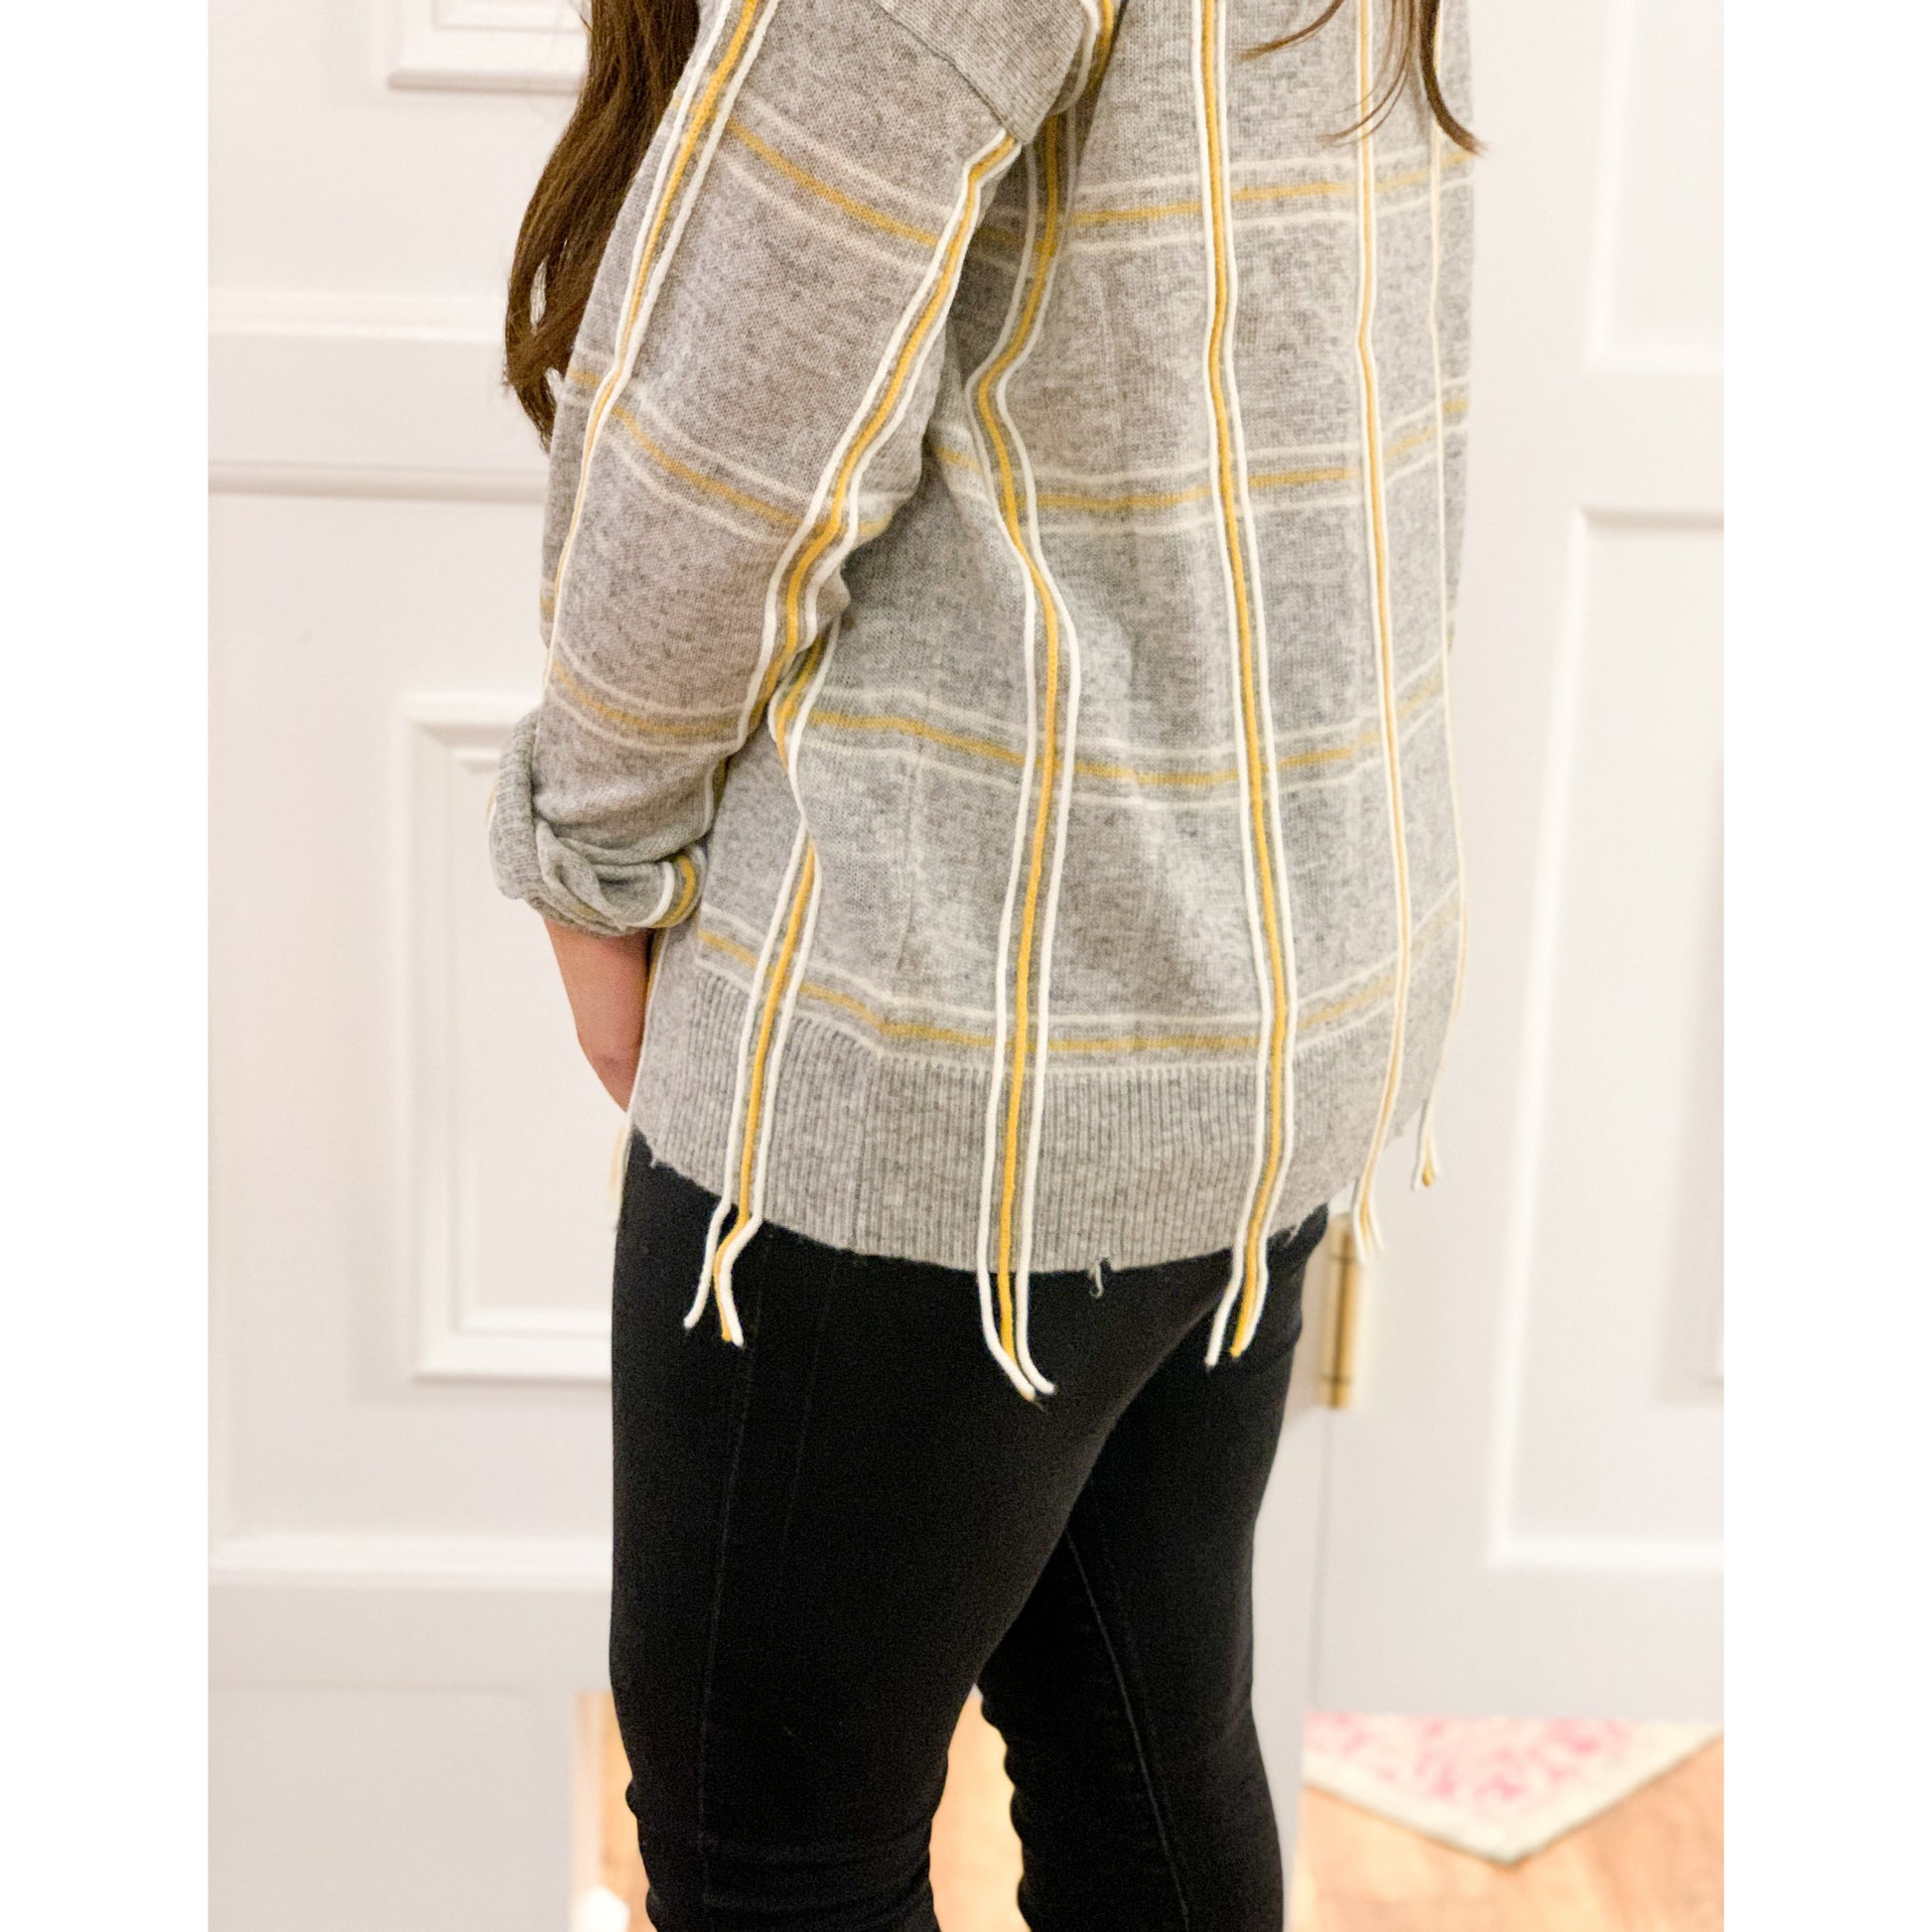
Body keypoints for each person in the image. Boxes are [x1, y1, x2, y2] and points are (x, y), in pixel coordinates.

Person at [489, 0, 1474, 1923]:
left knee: (774, 1849)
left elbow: (726, 441)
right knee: (1143, 1751)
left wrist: (593, 849)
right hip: (1263, 993)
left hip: (954, 1024)